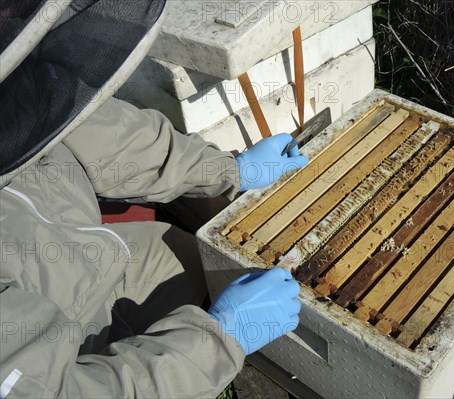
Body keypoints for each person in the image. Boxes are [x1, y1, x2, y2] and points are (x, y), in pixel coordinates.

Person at [0, 1, 307, 397]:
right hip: (49, 350)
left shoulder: (13, 94)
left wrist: (230, 170)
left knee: (195, 256)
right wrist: (218, 340)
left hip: (85, 255)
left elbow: (109, 136)